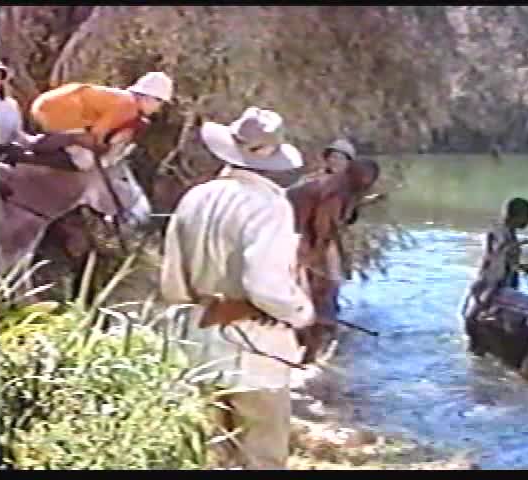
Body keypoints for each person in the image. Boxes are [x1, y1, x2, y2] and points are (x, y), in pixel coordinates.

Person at [160, 107, 316, 470]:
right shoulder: (270, 205)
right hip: (256, 347)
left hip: (197, 341)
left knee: (207, 453)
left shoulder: (195, 197)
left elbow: (172, 281)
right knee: (262, 453)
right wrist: (302, 314)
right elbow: (266, 286)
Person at [286, 141, 380, 361]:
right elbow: (321, 227)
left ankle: (318, 329)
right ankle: (314, 342)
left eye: (341, 158)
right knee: (322, 285)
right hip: (298, 236)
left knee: (324, 285)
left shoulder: (339, 187)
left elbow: (338, 219)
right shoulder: (329, 188)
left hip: (304, 236)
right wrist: (313, 261)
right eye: (333, 157)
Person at [29, 71, 173, 170]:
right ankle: (32, 153)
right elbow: (97, 133)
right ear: (148, 97)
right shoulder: (129, 106)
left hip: (49, 106)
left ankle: (42, 147)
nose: (158, 108)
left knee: (82, 148)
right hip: (53, 110)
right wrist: (102, 149)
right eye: (159, 102)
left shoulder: (126, 101)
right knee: (84, 160)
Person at [461, 197, 528, 345]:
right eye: (527, 217)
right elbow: (499, 253)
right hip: (493, 284)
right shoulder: (501, 233)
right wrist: (524, 243)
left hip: (498, 283)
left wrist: (522, 266)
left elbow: (506, 259)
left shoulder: (507, 232)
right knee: (479, 317)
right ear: (517, 216)